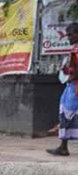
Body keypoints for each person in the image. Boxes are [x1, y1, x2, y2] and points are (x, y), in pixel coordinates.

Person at [47, 23, 78, 156]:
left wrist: (69, 74)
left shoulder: (76, 51)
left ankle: (63, 147)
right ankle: (63, 146)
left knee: (67, 112)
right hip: (72, 85)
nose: (68, 38)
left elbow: (75, 70)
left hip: (75, 86)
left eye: (71, 34)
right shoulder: (74, 49)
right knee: (66, 113)